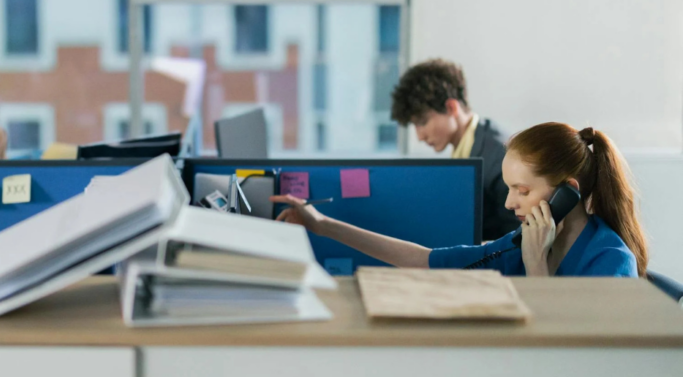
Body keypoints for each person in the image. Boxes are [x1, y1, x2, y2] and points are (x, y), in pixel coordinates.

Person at [273, 123, 645, 277]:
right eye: (509, 188)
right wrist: (323, 225)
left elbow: (566, 354)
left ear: (568, 192)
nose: (509, 204)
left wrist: (536, 266)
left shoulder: (611, 262)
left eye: (523, 190)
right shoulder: (523, 243)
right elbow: (422, 260)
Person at [390, 58, 520, 241]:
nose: (420, 136)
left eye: (422, 122)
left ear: (451, 107)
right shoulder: (465, 150)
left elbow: (517, 238)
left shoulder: (500, 156)